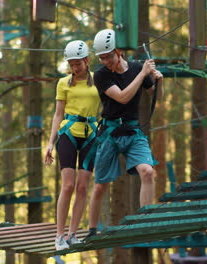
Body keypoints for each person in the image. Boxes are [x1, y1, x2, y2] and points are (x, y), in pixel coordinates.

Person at [85, 29, 163, 238]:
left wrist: (158, 80)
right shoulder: (100, 75)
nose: (105, 61)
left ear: (118, 52)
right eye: (101, 58)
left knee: (147, 171)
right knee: (101, 186)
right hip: (109, 132)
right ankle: (92, 230)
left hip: (132, 130)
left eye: (108, 56)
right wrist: (143, 74)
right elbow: (123, 97)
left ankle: (146, 222)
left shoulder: (137, 68)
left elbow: (156, 96)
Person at [44, 40, 100, 250]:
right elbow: (58, 114)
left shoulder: (98, 82)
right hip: (68, 133)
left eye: (78, 63)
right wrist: (50, 143)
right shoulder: (63, 83)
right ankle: (59, 236)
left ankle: (73, 234)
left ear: (87, 60)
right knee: (68, 185)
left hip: (91, 135)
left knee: (83, 186)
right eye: (71, 64)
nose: (75, 68)